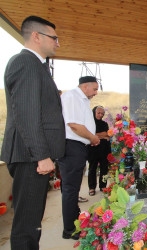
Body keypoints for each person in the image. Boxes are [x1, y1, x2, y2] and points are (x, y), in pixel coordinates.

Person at [0, 16, 65, 249]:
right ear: (36, 36)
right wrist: (41, 155)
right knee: (27, 227)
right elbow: (27, 115)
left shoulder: (36, 66)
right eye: (54, 38)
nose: (58, 43)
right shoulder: (25, 63)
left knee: (32, 223)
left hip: (32, 157)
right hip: (31, 158)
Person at [57, 76, 100, 240]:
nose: (96, 93)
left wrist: (90, 138)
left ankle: (75, 223)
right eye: (94, 89)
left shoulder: (82, 99)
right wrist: (93, 138)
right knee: (70, 189)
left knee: (73, 188)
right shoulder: (72, 97)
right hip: (72, 146)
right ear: (85, 86)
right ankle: (69, 229)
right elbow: (74, 125)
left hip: (78, 146)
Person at [88, 106, 111, 196]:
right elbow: (90, 135)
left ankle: (103, 186)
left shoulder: (104, 124)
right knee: (92, 168)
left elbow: (107, 135)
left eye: (102, 113)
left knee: (104, 168)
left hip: (104, 149)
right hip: (93, 149)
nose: (100, 115)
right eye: (99, 113)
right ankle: (92, 187)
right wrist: (102, 135)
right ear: (94, 112)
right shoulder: (89, 123)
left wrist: (97, 135)